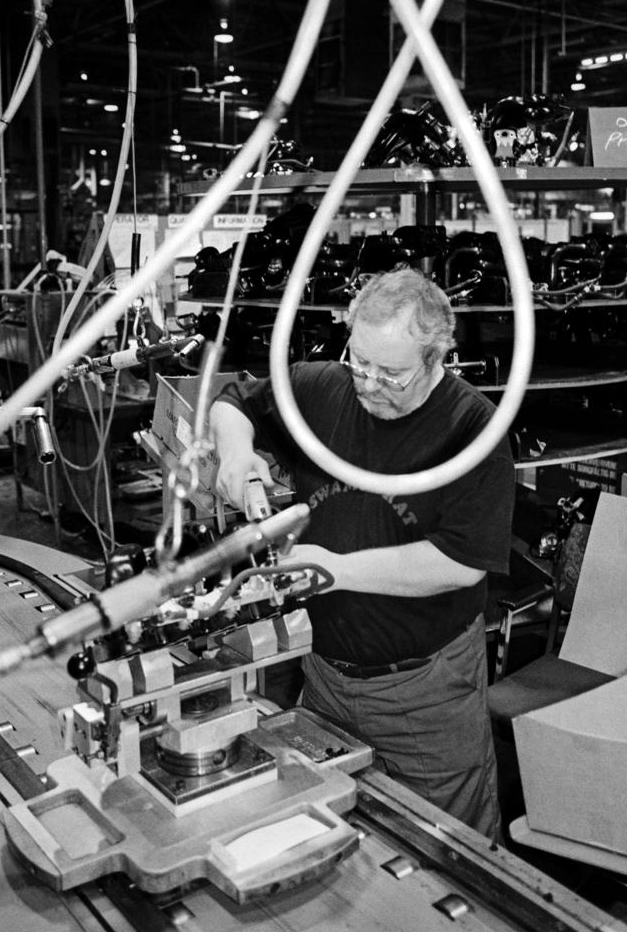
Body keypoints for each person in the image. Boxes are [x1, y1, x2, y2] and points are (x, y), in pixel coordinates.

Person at [208, 267, 515, 838]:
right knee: (336, 829)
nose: (370, 384)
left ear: (437, 357)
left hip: (424, 689)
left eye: (391, 374)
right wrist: (236, 454)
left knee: (451, 847)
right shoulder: (324, 388)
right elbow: (233, 402)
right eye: (361, 363)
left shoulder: (474, 431)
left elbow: (459, 561)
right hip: (322, 673)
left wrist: (338, 570)